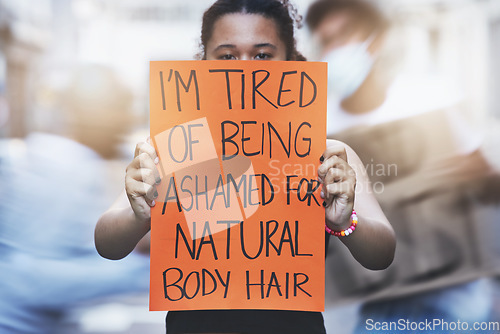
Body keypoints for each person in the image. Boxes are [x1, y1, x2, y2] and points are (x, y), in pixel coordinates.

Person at [94, 1, 396, 333]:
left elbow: (381, 253)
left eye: (262, 55)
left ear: (291, 61)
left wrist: (344, 222)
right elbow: (107, 244)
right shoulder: (177, 146)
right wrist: (140, 212)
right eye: (227, 56)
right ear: (203, 63)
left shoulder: (325, 154)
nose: (244, 69)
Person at [306, 0, 500, 332]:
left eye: (344, 35)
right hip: (379, 303)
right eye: (326, 41)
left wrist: (470, 178)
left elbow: (492, 188)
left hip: (458, 296)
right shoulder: (318, 129)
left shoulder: (427, 99)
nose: (335, 48)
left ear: (375, 40)